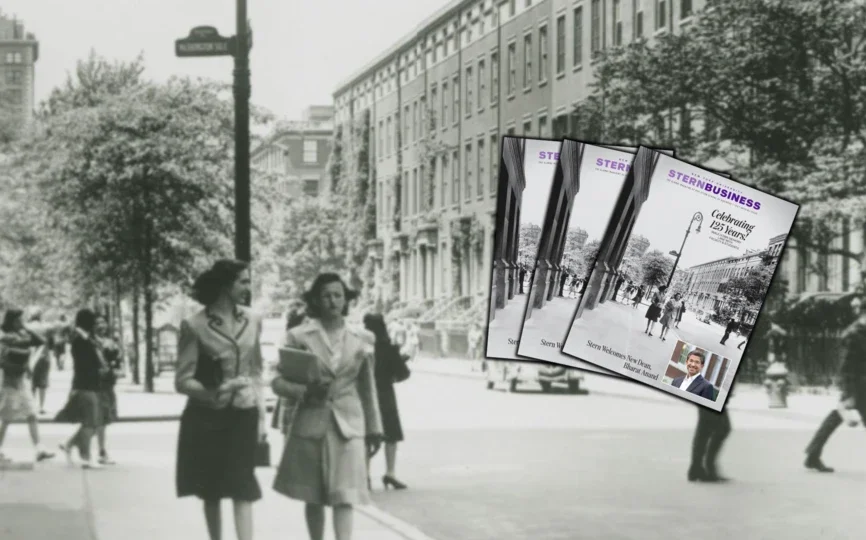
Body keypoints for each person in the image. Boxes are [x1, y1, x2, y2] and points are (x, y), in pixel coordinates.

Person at [272, 272, 383, 540]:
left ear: (346, 299)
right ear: (316, 300)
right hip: (311, 423)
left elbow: (368, 388)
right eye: (326, 296)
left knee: (346, 495)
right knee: (314, 495)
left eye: (338, 295)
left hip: (349, 425)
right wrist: (304, 391)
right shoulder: (298, 336)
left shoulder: (362, 338)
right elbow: (277, 382)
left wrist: (375, 428)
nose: (333, 301)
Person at [174, 259, 267, 540]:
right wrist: (214, 391)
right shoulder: (194, 325)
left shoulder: (253, 319)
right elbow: (182, 380)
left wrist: (261, 415)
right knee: (211, 489)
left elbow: (256, 369)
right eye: (243, 281)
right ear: (226, 285)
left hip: (243, 413)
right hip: (207, 417)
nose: (248, 287)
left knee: (243, 486)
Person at [804, 296, 866, 473]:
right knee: (836, 417)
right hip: (856, 385)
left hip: (862, 384)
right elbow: (845, 366)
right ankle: (812, 455)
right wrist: (849, 392)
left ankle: (812, 455)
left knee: (834, 418)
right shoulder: (853, 334)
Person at [0, 309, 55, 463]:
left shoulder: (22, 335)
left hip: (22, 382)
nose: (21, 322)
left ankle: (39, 449)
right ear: (10, 321)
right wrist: (19, 365)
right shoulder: (5, 339)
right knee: (6, 418)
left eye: (22, 319)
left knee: (32, 414)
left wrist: (26, 328)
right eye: (18, 320)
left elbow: (41, 341)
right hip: (9, 383)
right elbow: (2, 361)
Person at [56, 309, 109, 469]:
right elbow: (86, 363)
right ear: (87, 322)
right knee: (90, 423)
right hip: (84, 384)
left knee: (92, 422)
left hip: (88, 384)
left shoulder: (85, 338)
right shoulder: (80, 339)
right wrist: (99, 368)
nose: (95, 324)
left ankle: (69, 443)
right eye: (93, 321)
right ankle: (84, 457)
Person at [363, 312, 408, 491]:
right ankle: (390, 473)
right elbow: (403, 374)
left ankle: (365, 475)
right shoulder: (389, 348)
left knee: (367, 435)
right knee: (391, 435)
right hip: (386, 394)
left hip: (366, 394)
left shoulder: (363, 348)